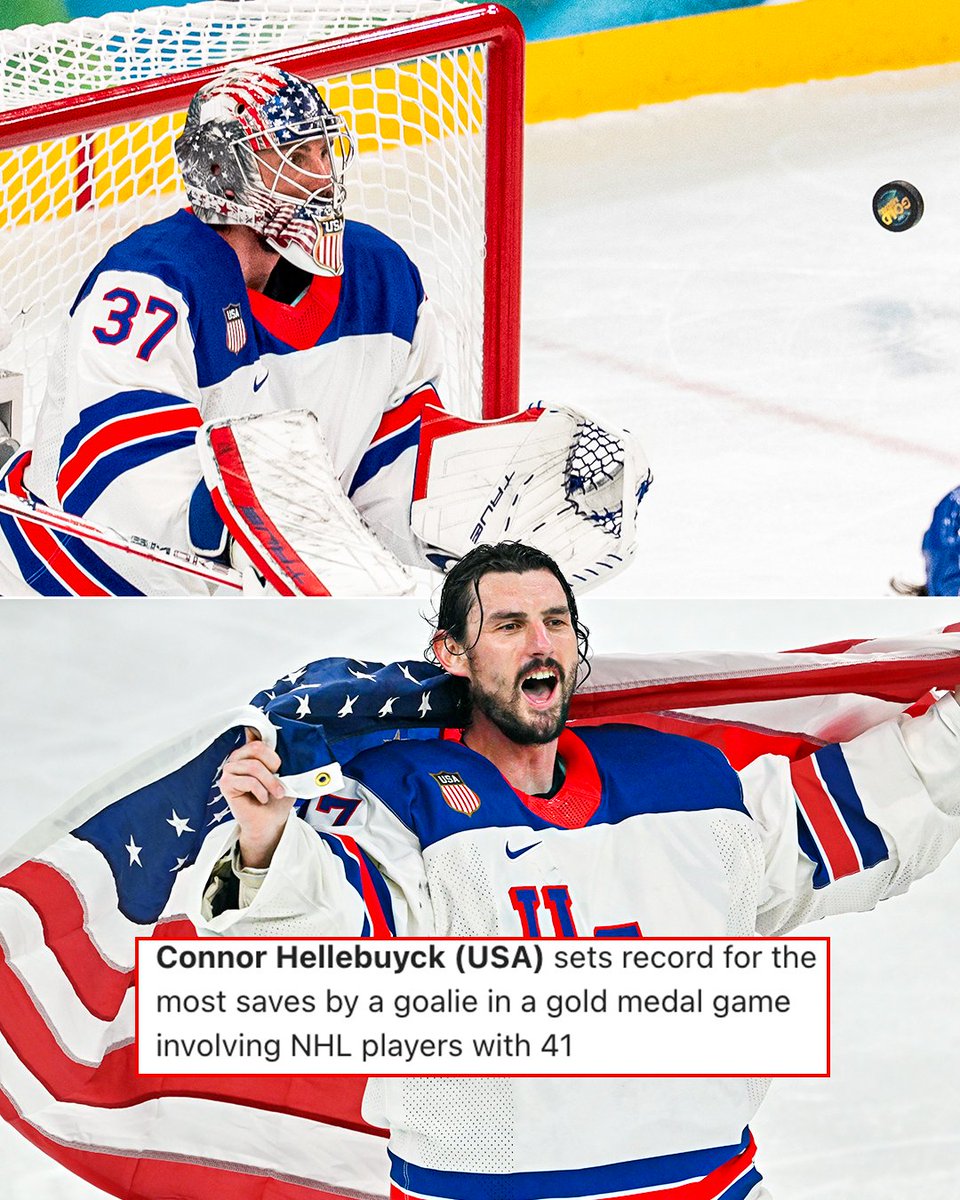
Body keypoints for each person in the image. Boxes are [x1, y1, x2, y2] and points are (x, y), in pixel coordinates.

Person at [194, 540, 960, 1200]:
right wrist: (266, 842)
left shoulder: (687, 778)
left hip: (698, 1178)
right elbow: (339, 940)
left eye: (556, 621)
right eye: (509, 624)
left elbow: (858, 814)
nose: (541, 641)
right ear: (450, 654)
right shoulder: (400, 797)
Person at [0, 64, 443, 596]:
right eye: (294, 158)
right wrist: (266, 525)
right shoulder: (147, 286)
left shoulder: (382, 280)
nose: (323, 177)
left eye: (324, 152)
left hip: (250, 604)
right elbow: (123, 504)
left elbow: (394, 488)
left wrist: (455, 534)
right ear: (221, 170)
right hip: (64, 588)